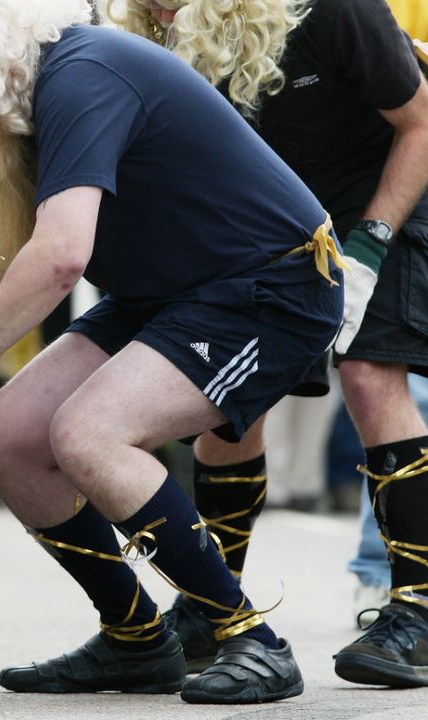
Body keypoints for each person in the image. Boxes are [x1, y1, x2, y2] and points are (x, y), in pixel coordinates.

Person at [0, 0, 345, 704]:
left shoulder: (82, 74)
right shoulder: (25, 115)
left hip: (269, 284)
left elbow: (62, 258)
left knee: (88, 434)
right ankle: (135, 640)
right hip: (170, 292)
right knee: (3, 439)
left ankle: (250, 639)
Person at [115, 0, 428, 689]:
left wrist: (370, 250)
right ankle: (208, 606)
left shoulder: (334, 9)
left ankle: (419, 610)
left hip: (384, 190)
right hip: (275, 210)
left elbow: (420, 122)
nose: (159, 7)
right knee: (230, 397)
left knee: (370, 375)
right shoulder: (145, 29)